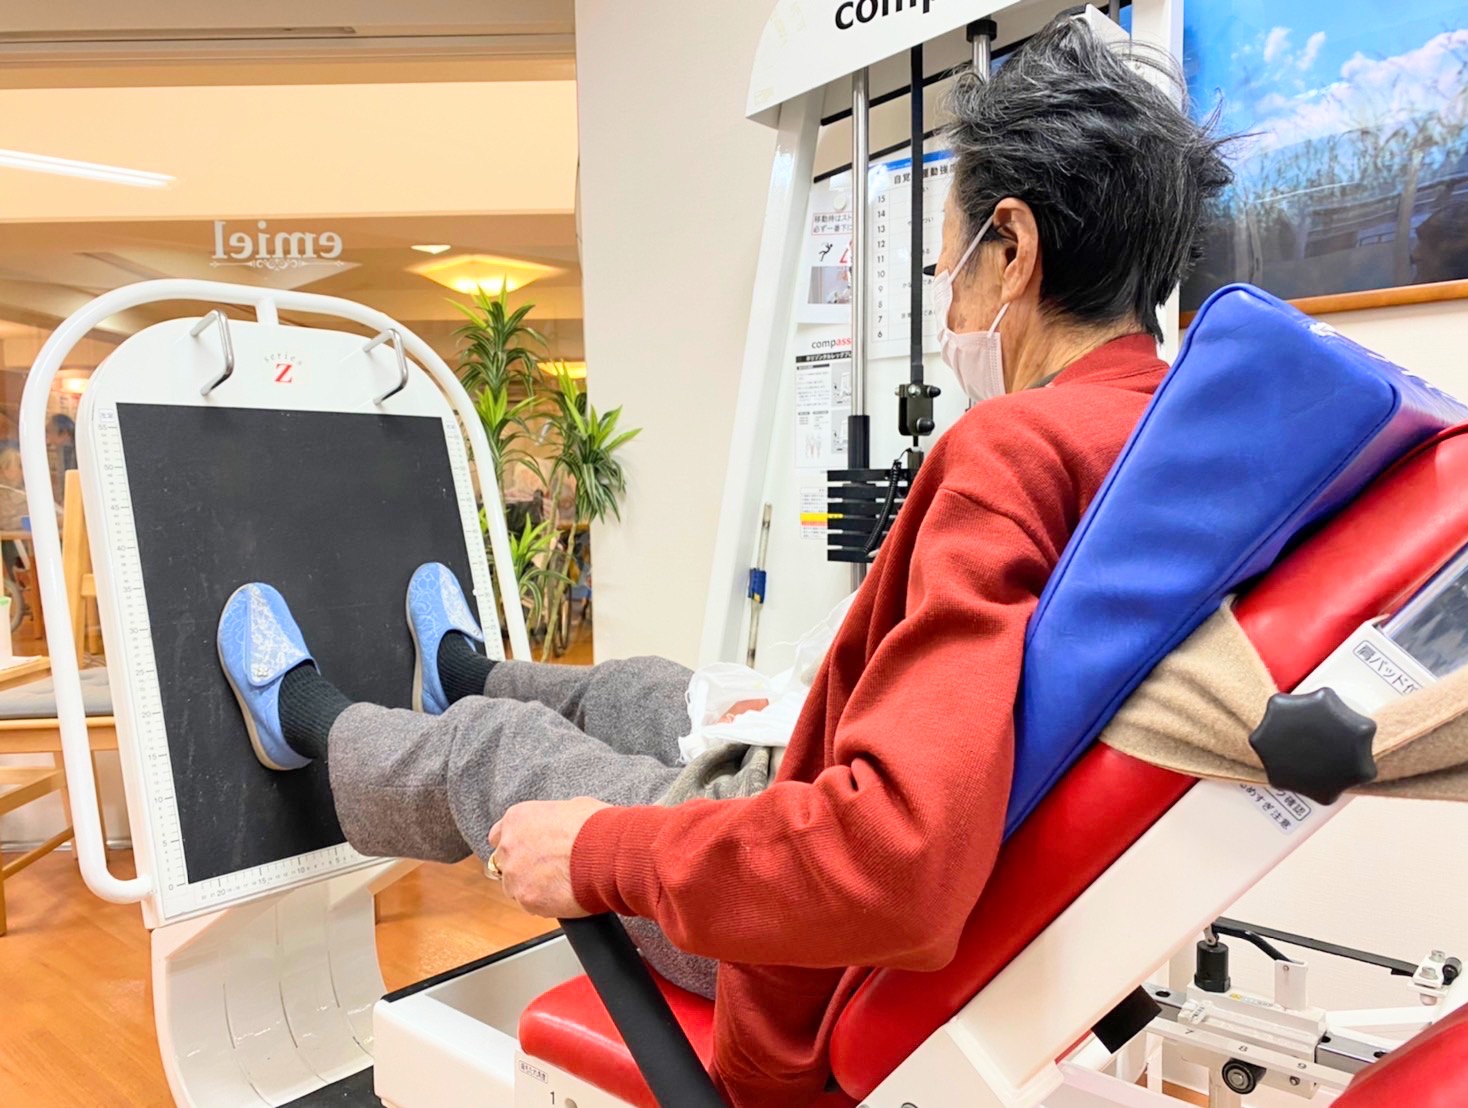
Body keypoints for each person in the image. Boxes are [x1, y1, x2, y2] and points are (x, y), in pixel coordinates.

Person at [214, 19, 1232, 1106]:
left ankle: (306, 720)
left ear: (1013, 248)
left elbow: (894, 858)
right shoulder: (1161, 435)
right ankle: (460, 667)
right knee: (646, 689)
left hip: (797, 939)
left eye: (946, 266)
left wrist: (603, 851)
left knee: (491, 750)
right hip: (833, 816)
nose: (946, 302)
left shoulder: (1016, 449)